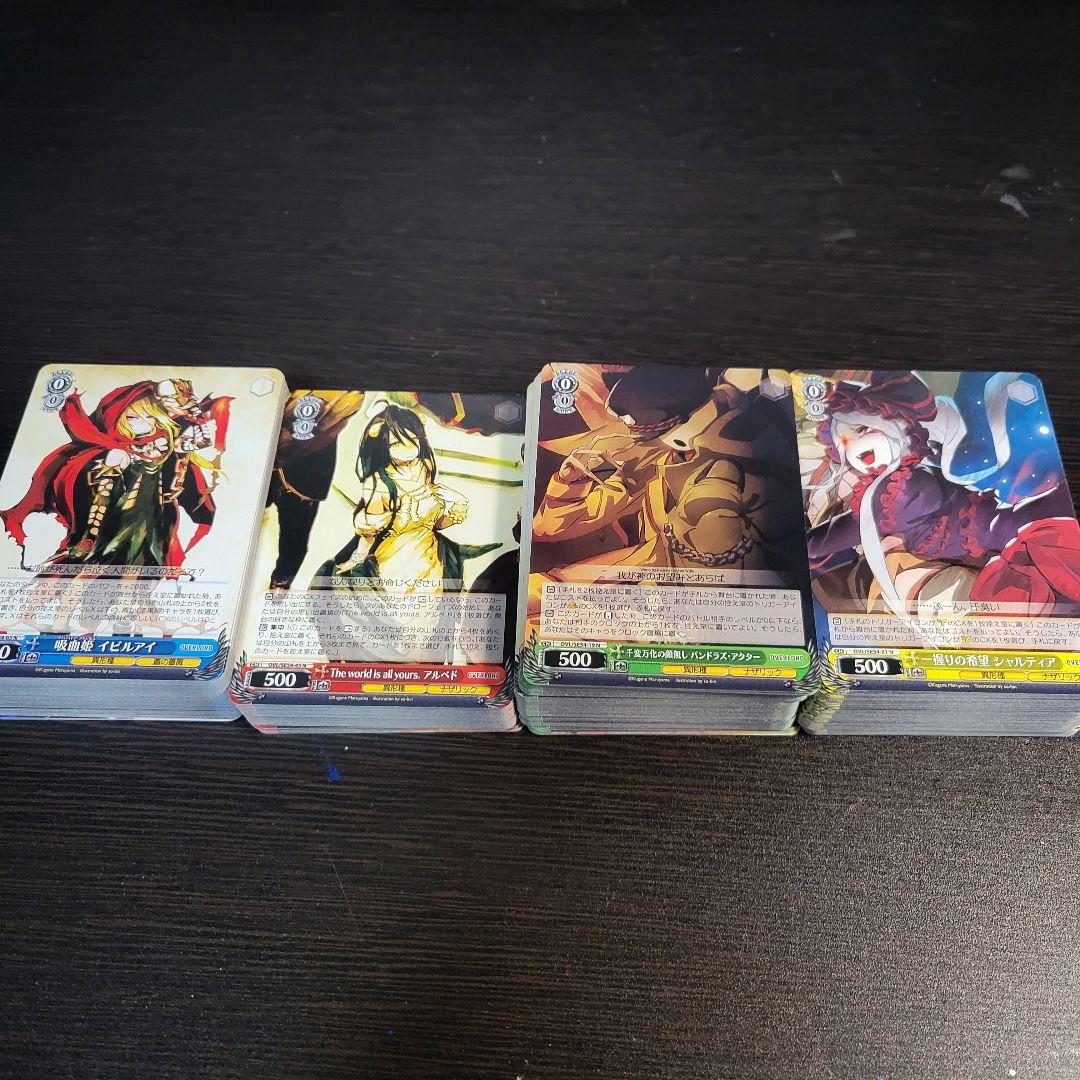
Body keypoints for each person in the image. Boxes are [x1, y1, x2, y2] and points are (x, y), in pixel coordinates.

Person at [316, 403, 468, 590]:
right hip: (393, 561)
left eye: (412, 439)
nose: (407, 449)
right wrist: (357, 559)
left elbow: (433, 522)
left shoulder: (424, 466)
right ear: (384, 445)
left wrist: (456, 509)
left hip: (430, 555)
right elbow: (369, 535)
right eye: (396, 443)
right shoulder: (379, 484)